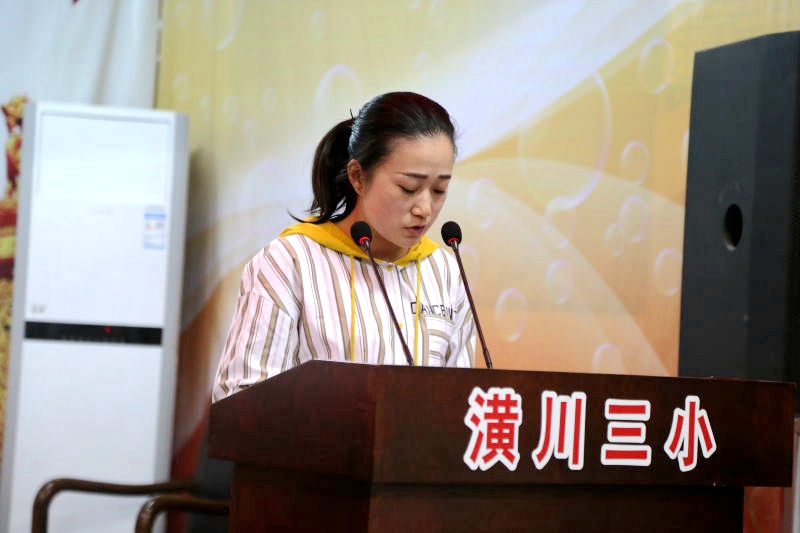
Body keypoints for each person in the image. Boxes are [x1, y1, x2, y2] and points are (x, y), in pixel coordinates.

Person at [212, 91, 476, 402]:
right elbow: (241, 397)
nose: (425, 209)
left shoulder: (446, 271)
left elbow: (460, 402)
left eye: (439, 189)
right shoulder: (290, 262)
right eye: (409, 188)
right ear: (358, 177)